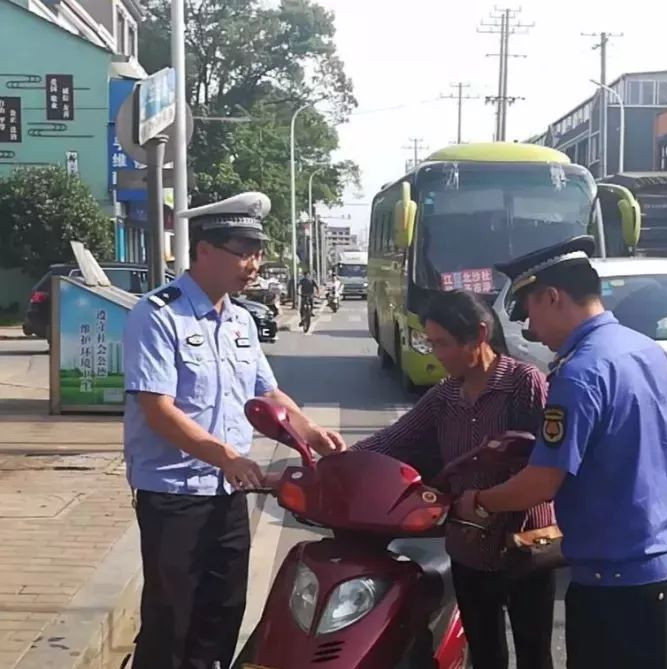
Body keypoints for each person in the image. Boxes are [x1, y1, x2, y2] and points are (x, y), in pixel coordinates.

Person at [122, 192, 347, 669]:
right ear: (204, 250)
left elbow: (268, 393)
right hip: (174, 495)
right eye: (242, 251)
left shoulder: (241, 319)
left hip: (228, 494)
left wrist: (310, 432)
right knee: (171, 619)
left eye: (257, 252)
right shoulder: (159, 315)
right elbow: (157, 409)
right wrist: (224, 455)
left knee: (223, 612)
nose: (254, 264)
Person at [455, 236, 667, 669]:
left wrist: (479, 502)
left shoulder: (579, 373)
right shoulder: (647, 350)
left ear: (552, 297)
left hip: (616, 582)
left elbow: (542, 483)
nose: (533, 333)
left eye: (531, 315)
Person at [352, 290, 555, 669]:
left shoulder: (523, 383)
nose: (436, 354)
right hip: (468, 547)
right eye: (431, 343)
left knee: (534, 654)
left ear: (478, 334)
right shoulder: (443, 397)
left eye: (442, 343)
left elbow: (546, 462)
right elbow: (392, 441)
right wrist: (337, 460)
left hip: (525, 547)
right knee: (485, 653)